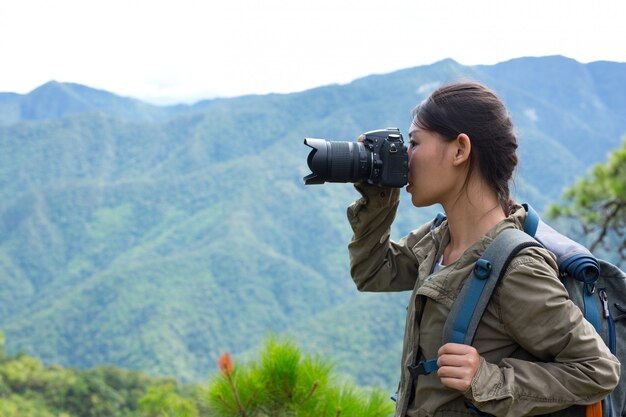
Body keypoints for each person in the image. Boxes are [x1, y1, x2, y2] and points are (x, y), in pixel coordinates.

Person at [347, 82, 620, 417]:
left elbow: (598, 369)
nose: (406, 156)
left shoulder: (517, 267)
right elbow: (373, 272)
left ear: (460, 150)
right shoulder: (438, 238)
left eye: (415, 143)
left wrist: (485, 378)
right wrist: (379, 194)